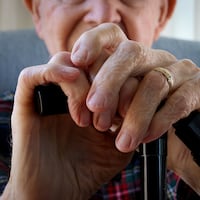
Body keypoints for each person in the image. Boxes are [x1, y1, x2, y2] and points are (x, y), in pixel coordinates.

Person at [0, 0, 200, 199]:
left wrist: (194, 150)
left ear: (162, 15)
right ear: (38, 13)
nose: (103, 17)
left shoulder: (187, 119)